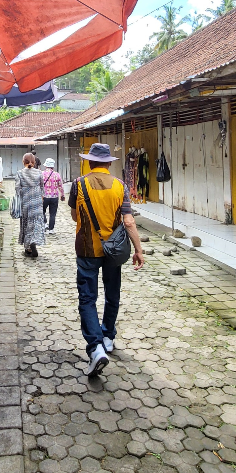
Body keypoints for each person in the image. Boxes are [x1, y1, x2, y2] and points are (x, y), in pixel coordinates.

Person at [68, 143, 144, 377]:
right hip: (114, 251)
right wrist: (138, 250)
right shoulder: (120, 186)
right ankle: (108, 336)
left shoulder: (78, 183)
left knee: (87, 298)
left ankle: (95, 347)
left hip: (87, 250)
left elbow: (73, 216)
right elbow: (129, 222)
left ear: (89, 162)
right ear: (109, 163)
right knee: (112, 295)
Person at [16, 152, 46, 258]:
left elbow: (17, 189)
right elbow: (42, 187)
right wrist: (40, 197)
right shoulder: (39, 173)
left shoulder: (20, 173)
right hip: (37, 202)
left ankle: (28, 247)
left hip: (26, 202)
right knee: (36, 223)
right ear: (34, 162)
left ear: (23, 162)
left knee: (26, 223)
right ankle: (33, 241)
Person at [40, 158, 65, 233]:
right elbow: (60, 186)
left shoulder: (42, 174)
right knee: (53, 213)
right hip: (54, 197)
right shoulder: (57, 174)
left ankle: (44, 223)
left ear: (46, 166)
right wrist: (62, 195)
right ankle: (51, 229)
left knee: (42, 211)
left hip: (44, 197)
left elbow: (39, 185)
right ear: (53, 167)